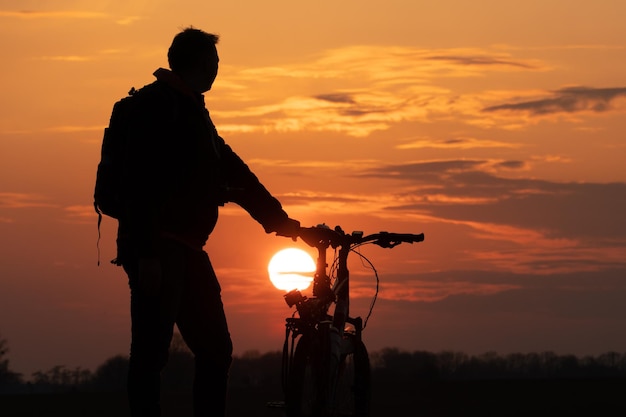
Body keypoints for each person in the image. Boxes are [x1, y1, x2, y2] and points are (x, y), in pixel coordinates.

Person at [112, 27, 300, 417]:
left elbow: (236, 174)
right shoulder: (157, 107)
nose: (218, 69)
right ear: (200, 63)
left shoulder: (193, 112)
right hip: (157, 247)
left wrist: (283, 224)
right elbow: (138, 183)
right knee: (150, 353)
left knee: (216, 351)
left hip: (188, 249)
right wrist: (146, 254)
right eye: (214, 61)